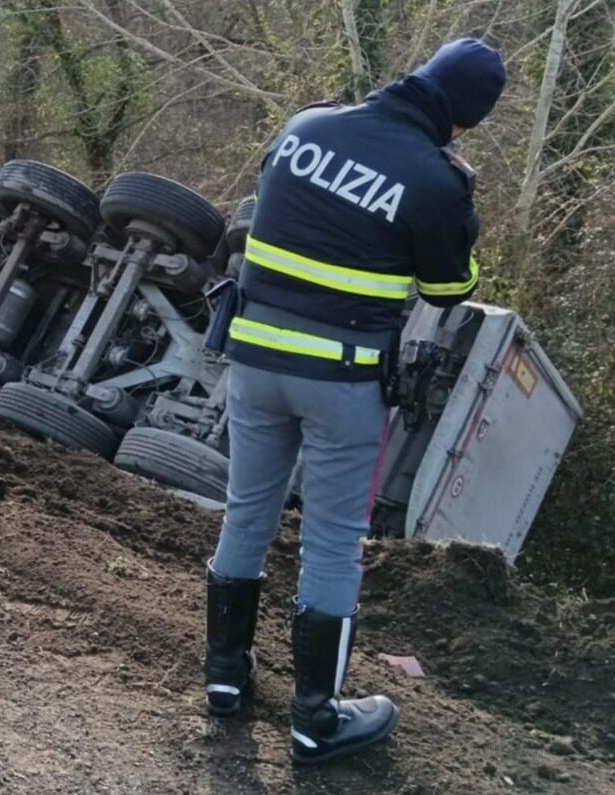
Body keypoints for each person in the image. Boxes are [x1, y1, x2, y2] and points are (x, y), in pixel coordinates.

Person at [203, 38, 506, 765]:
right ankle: (316, 721)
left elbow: (266, 200)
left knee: (247, 512)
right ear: (464, 120)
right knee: (333, 542)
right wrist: (464, 213)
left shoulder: (307, 126)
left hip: (254, 358)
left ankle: (224, 678)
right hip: (340, 380)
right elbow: (448, 291)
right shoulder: (436, 182)